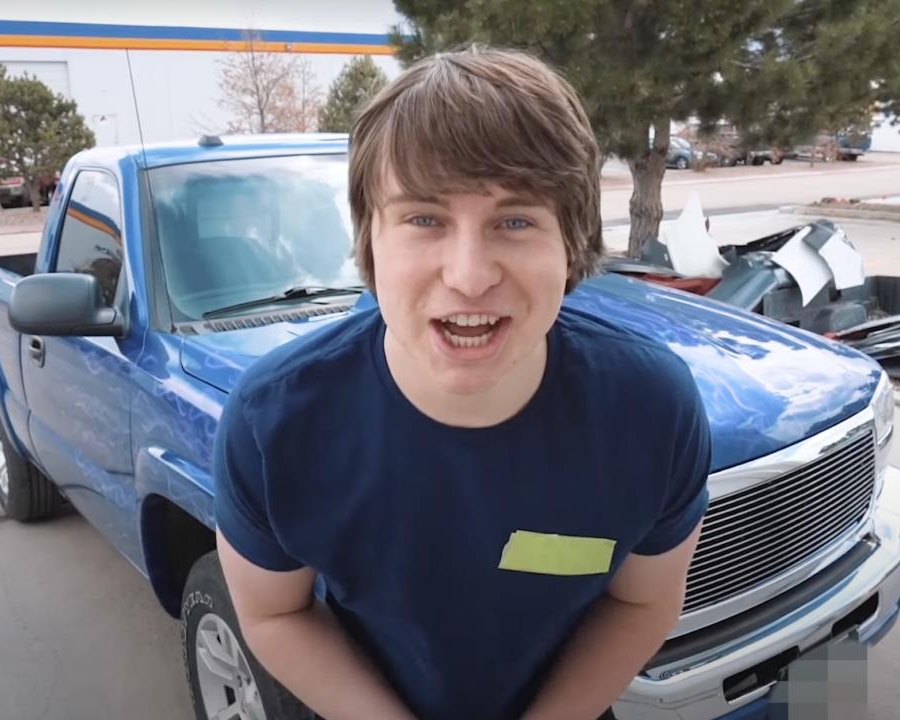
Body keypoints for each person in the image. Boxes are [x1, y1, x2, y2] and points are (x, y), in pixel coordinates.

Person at [213, 45, 711, 720]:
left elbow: (644, 599)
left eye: (514, 220)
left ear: (571, 241)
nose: (470, 275)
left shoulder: (652, 410)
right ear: (370, 240)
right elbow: (274, 614)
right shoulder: (274, 424)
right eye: (424, 219)